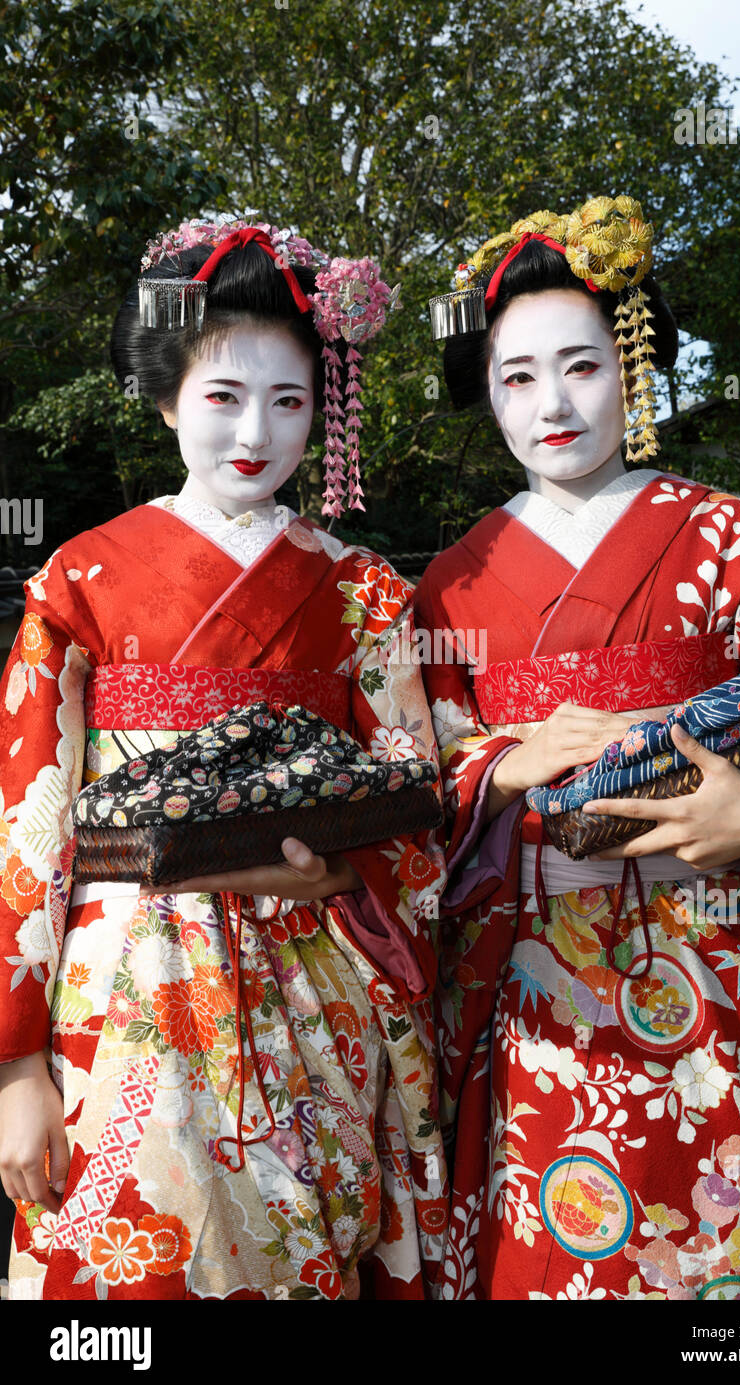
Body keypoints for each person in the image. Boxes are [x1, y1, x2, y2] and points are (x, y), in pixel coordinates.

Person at [415, 199, 740, 1300]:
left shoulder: (726, 539)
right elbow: (412, 786)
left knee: (720, 1247)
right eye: (516, 377)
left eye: (581, 366)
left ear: (635, 369)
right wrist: (493, 769)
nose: (551, 403)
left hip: (721, 955)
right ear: (486, 393)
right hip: (532, 983)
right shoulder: (449, 583)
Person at [0, 217, 448, 1300]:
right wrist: (16, 1065)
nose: (257, 431)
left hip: (317, 973)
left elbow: (422, 808)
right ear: (165, 397)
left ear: (321, 411)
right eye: (222, 396)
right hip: (121, 983)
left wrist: (343, 874)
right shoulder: (80, 581)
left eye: (289, 401)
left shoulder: (366, 592)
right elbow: (28, 821)